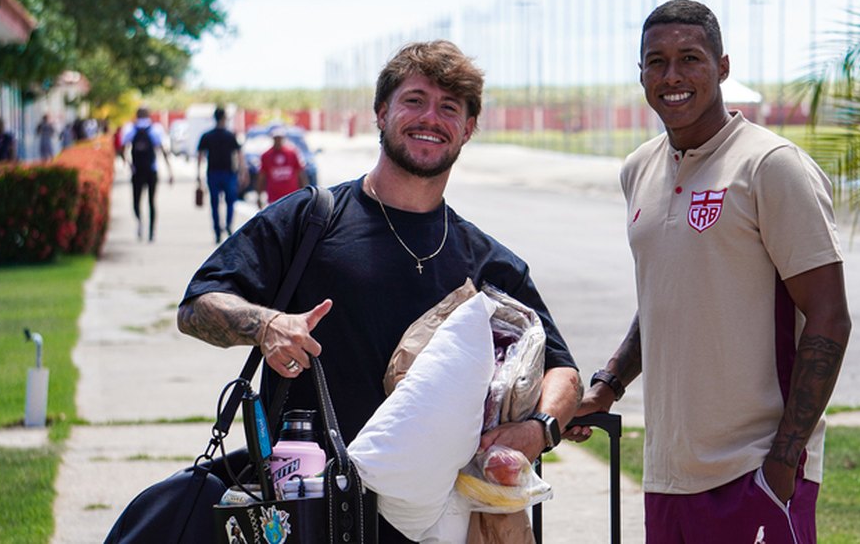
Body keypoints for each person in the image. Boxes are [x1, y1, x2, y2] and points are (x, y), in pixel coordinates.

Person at [177, 40, 582, 543]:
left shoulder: (488, 262)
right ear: (381, 112)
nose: (429, 118)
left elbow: (562, 370)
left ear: (468, 128)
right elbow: (197, 305)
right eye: (414, 100)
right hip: (309, 513)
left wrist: (538, 430)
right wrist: (266, 325)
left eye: (449, 108)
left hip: (437, 524)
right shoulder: (311, 220)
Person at [568, 0, 852, 543]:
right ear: (641, 74)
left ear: (722, 67)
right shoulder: (639, 169)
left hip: (753, 471)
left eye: (690, 58)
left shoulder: (770, 166)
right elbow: (669, 294)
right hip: (668, 474)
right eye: (656, 62)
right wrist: (607, 385)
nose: (671, 76)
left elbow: (829, 317)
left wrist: (783, 461)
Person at [121, 107, 174, 242]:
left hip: (137, 171)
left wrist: (128, 163)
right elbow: (162, 150)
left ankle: (140, 222)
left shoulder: (131, 129)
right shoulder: (155, 129)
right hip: (152, 170)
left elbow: (123, 147)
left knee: (136, 201)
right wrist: (170, 170)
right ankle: (151, 231)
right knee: (151, 201)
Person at [196, 106, 246, 243]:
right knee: (231, 202)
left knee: (215, 204)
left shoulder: (207, 136)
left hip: (213, 173)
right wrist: (242, 172)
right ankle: (228, 225)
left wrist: (198, 175)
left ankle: (217, 231)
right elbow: (239, 155)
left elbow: (200, 156)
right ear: (224, 118)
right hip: (229, 173)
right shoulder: (230, 135)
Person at [255, 126, 307, 207]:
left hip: (291, 195)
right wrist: (259, 196)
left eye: (280, 138)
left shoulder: (292, 153)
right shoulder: (266, 155)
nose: (278, 141)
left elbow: (300, 173)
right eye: (276, 138)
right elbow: (262, 176)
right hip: (274, 198)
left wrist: (304, 192)